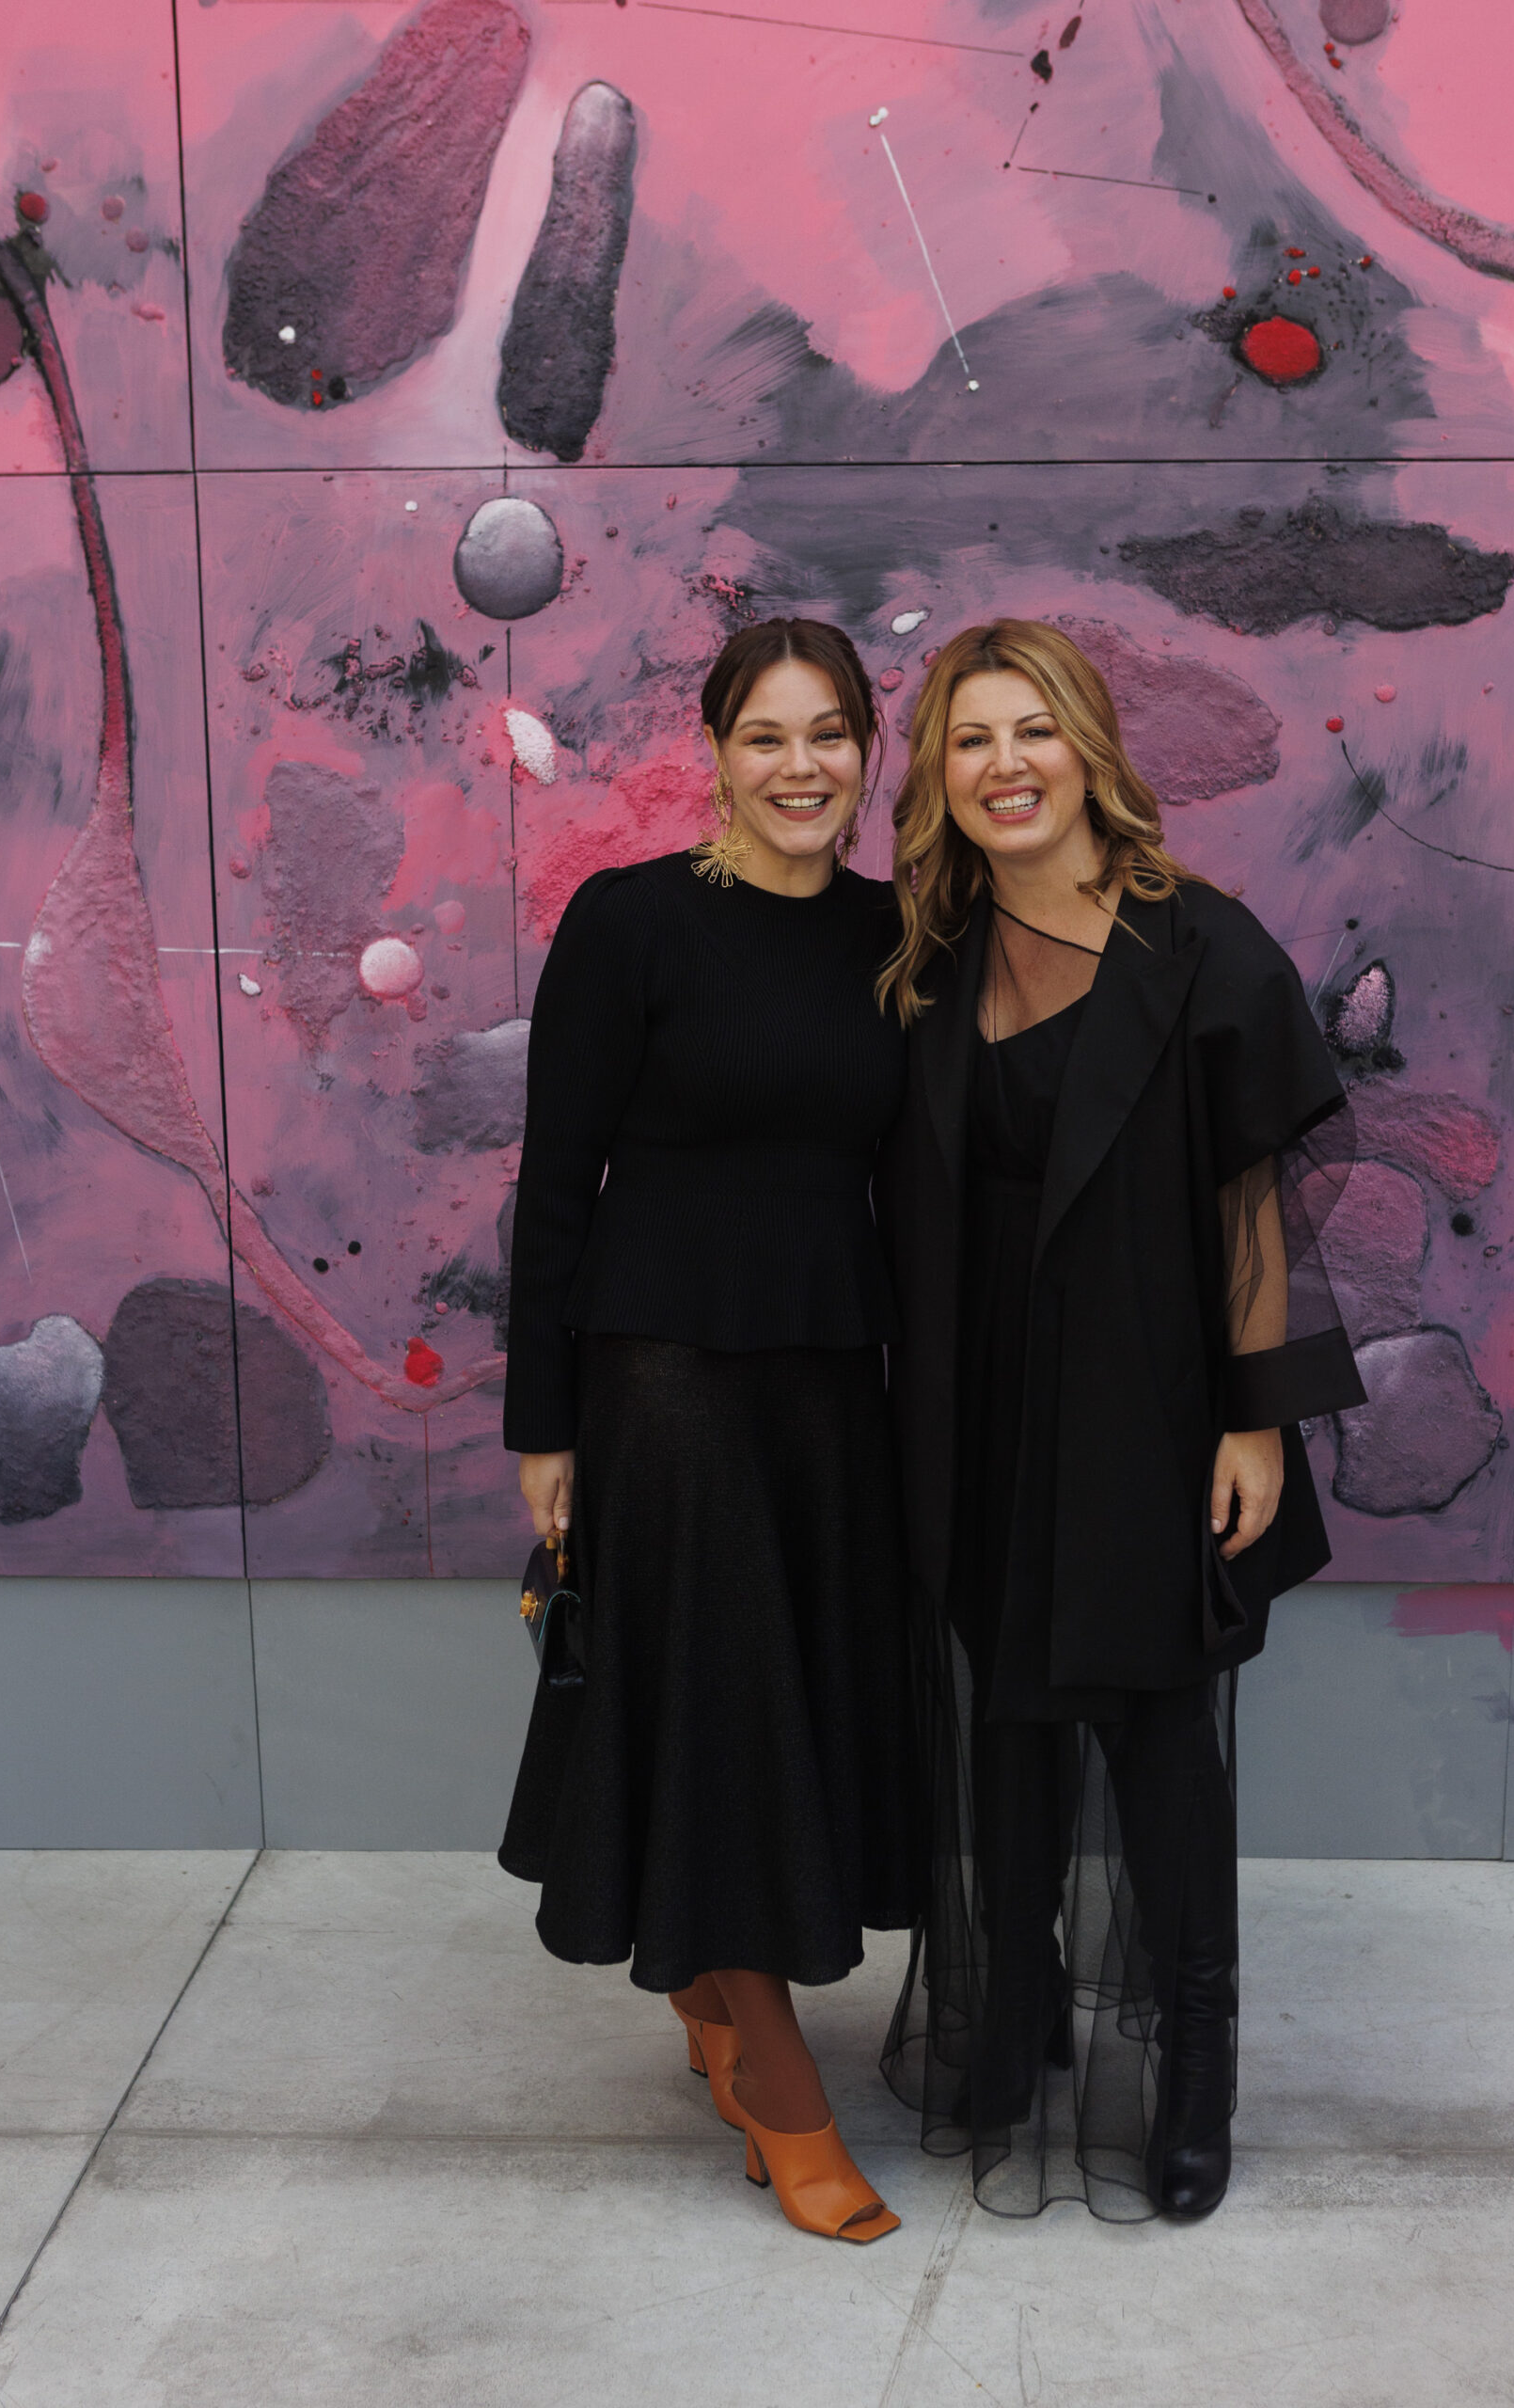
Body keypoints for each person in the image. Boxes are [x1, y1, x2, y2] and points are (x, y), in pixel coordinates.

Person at [873, 620, 1365, 2223]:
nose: (1004, 764)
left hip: (1146, 1399)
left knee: (1158, 1739)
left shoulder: (1200, 947)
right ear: (940, 776)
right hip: (973, 1402)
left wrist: (1253, 1421)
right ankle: (1020, 2012)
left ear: (1089, 750)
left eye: (1033, 730)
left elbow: (1248, 1204)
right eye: (970, 739)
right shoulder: (929, 954)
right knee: (1006, 1722)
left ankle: (1197, 2059)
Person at [498, 619, 917, 2243]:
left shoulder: (899, 933)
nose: (801, 767)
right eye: (766, 737)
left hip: (831, 1385)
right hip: (663, 1375)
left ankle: (708, 1986)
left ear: (866, 751)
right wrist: (545, 1426)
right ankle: (784, 2096)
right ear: (716, 754)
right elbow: (556, 1183)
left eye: (829, 735)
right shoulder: (633, 921)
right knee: (726, 1719)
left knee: (779, 1703)